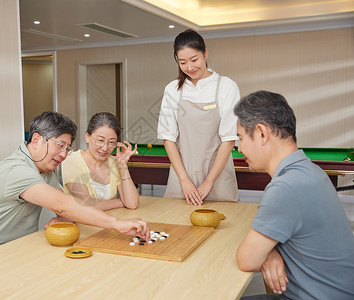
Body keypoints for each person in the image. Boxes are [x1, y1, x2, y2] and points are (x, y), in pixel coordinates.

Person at [0, 112, 149, 259]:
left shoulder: (44, 170)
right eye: (60, 145)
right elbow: (64, 205)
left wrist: (65, 217)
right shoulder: (17, 170)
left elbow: (68, 207)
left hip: (17, 249)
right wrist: (118, 224)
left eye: (67, 148)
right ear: (36, 140)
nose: (64, 154)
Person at [234, 91, 354, 299]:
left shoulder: (286, 187)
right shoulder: (311, 171)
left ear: (261, 133)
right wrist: (271, 252)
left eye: (241, 138)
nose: (239, 148)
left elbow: (247, 260)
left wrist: (265, 253)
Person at [157, 29, 240, 205]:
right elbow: (168, 138)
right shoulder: (172, 89)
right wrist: (185, 181)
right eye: (183, 62)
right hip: (182, 180)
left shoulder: (227, 86)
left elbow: (229, 139)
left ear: (205, 54)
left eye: (194, 60)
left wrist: (209, 182)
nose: (190, 67)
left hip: (218, 180)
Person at [61, 112, 139, 212]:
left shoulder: (115, 162)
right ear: (87, 137)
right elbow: (86, 204)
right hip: (81, 225)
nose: (105, 148)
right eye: (100, 140)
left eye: (111, 142)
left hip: (109, 222)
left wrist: (122, 165)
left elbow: (132, 204)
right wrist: (121, 202)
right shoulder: (72, 160)